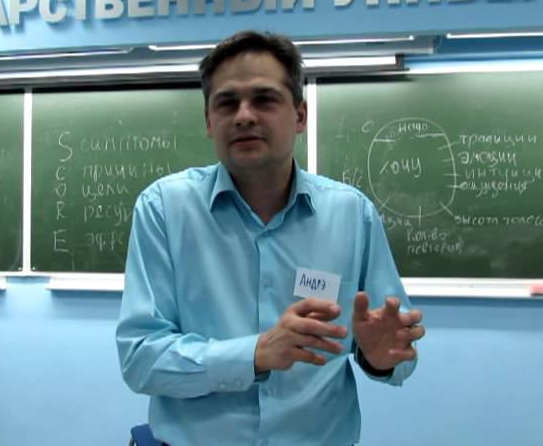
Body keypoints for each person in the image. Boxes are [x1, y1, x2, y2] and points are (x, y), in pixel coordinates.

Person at [116, 30, 425, 446]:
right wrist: (254, 354)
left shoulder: (352, 214)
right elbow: (140, 358)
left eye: (264, 99)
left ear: (300, 115)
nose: (244, 116)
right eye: (227, 103)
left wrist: (380, 359)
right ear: (209, 121)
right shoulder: (164, 209)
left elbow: (396, 353)